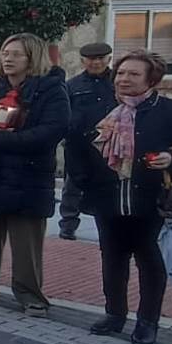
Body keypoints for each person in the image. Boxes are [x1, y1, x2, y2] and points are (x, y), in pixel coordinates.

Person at [71, 50, 172, 344]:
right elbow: (76, 148)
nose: (124, 79)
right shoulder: (99, 110)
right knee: (112, 258)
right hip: (108, 199)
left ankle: (148, 321)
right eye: (121, 73)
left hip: (152, 202)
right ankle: (114, 314)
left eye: (133, 74)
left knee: (149, 261)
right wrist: (84, 182)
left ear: (152, 79)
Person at [0, 32, 70, 315]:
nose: (8, 59)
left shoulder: (51, 89)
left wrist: (7, 140)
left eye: (16, 54)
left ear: (32, 58)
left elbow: (52, 131)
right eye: (5, 53)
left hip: (29, 176)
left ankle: (29, 293)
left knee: (26, 242)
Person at [59, 42, 114, 239]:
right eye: (91, 59)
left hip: (110, 144)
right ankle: (68, 224)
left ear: (109, 59)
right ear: (83, 61)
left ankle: (109, 225)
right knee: (72, 185)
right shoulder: (72, 85)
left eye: (101, 58)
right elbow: (63, 114)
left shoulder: (118, 82)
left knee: (110, 186)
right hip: (78, 144)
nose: (96, 62)